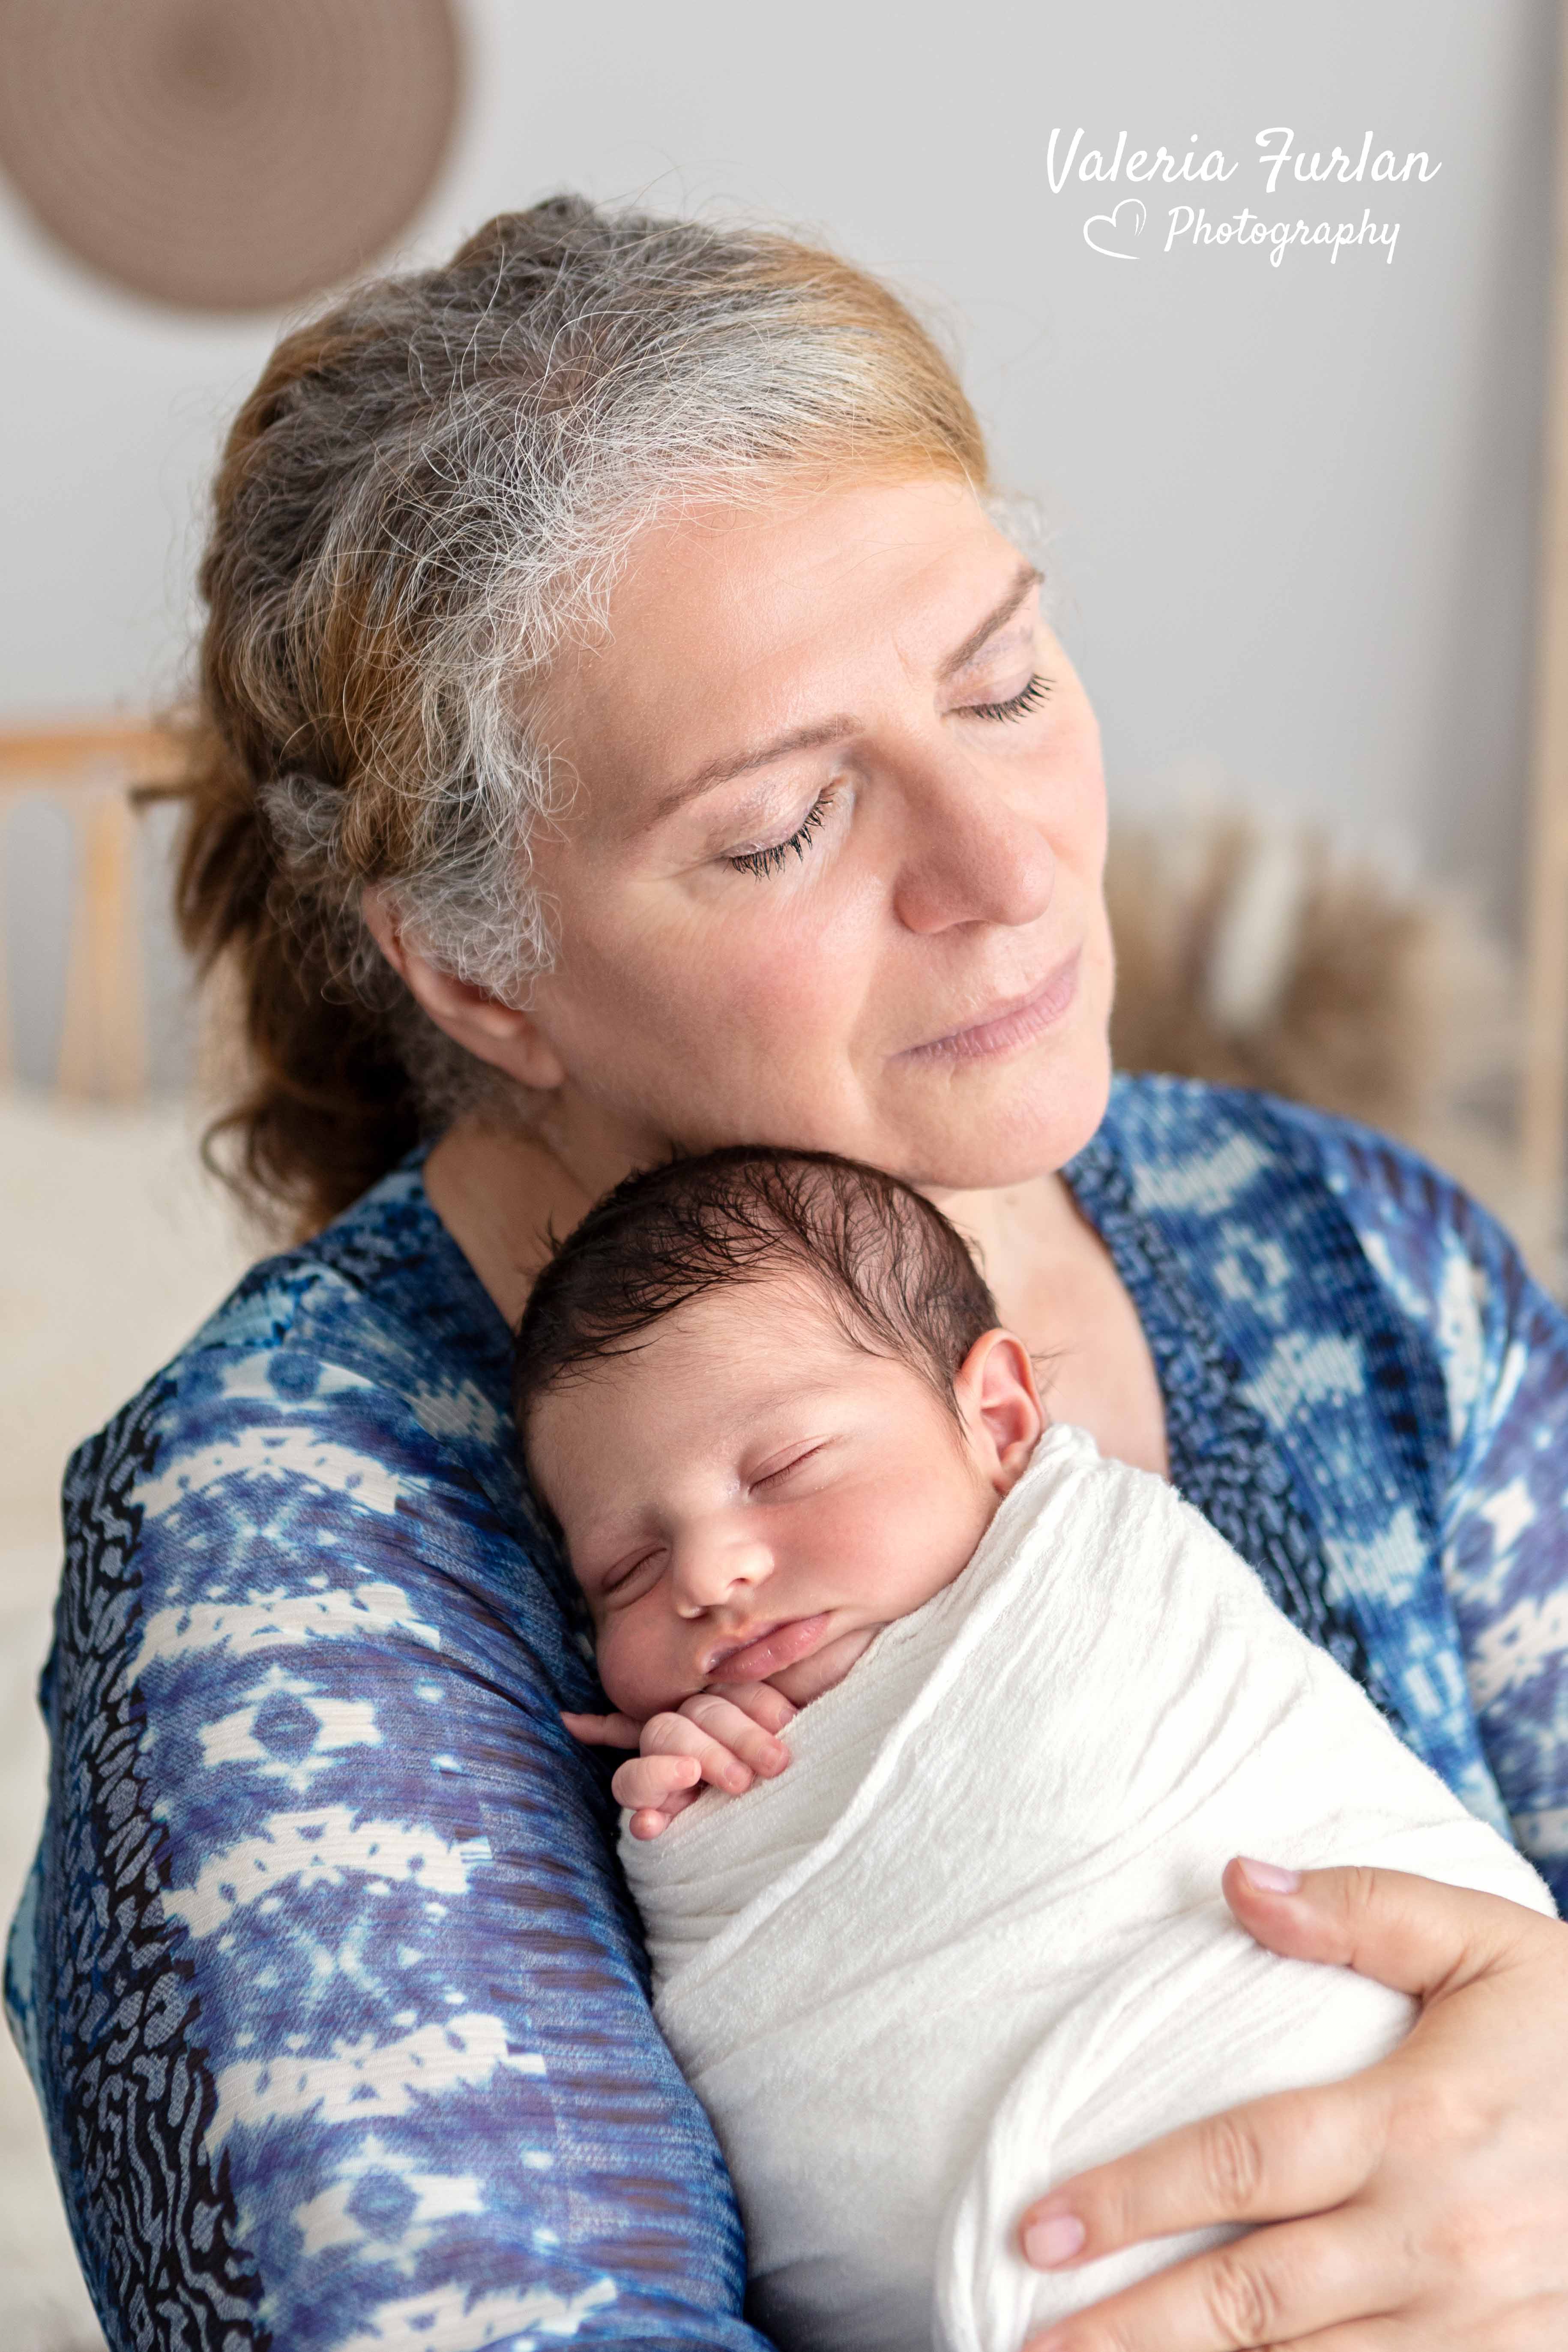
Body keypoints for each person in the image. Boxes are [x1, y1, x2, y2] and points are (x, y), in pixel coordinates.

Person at [4, 192, 1566, 2352]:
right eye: (781, 827)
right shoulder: (290, 1549)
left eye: (1005, 682)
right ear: (481, 970)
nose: (1013, 863)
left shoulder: (1348, 1252)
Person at [512, 1143, 1554, 2352]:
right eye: (627, 1571)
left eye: (783, 1470)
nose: (704, 1573)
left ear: (998, 1419)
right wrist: (698, 1835)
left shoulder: (1115, 1582)